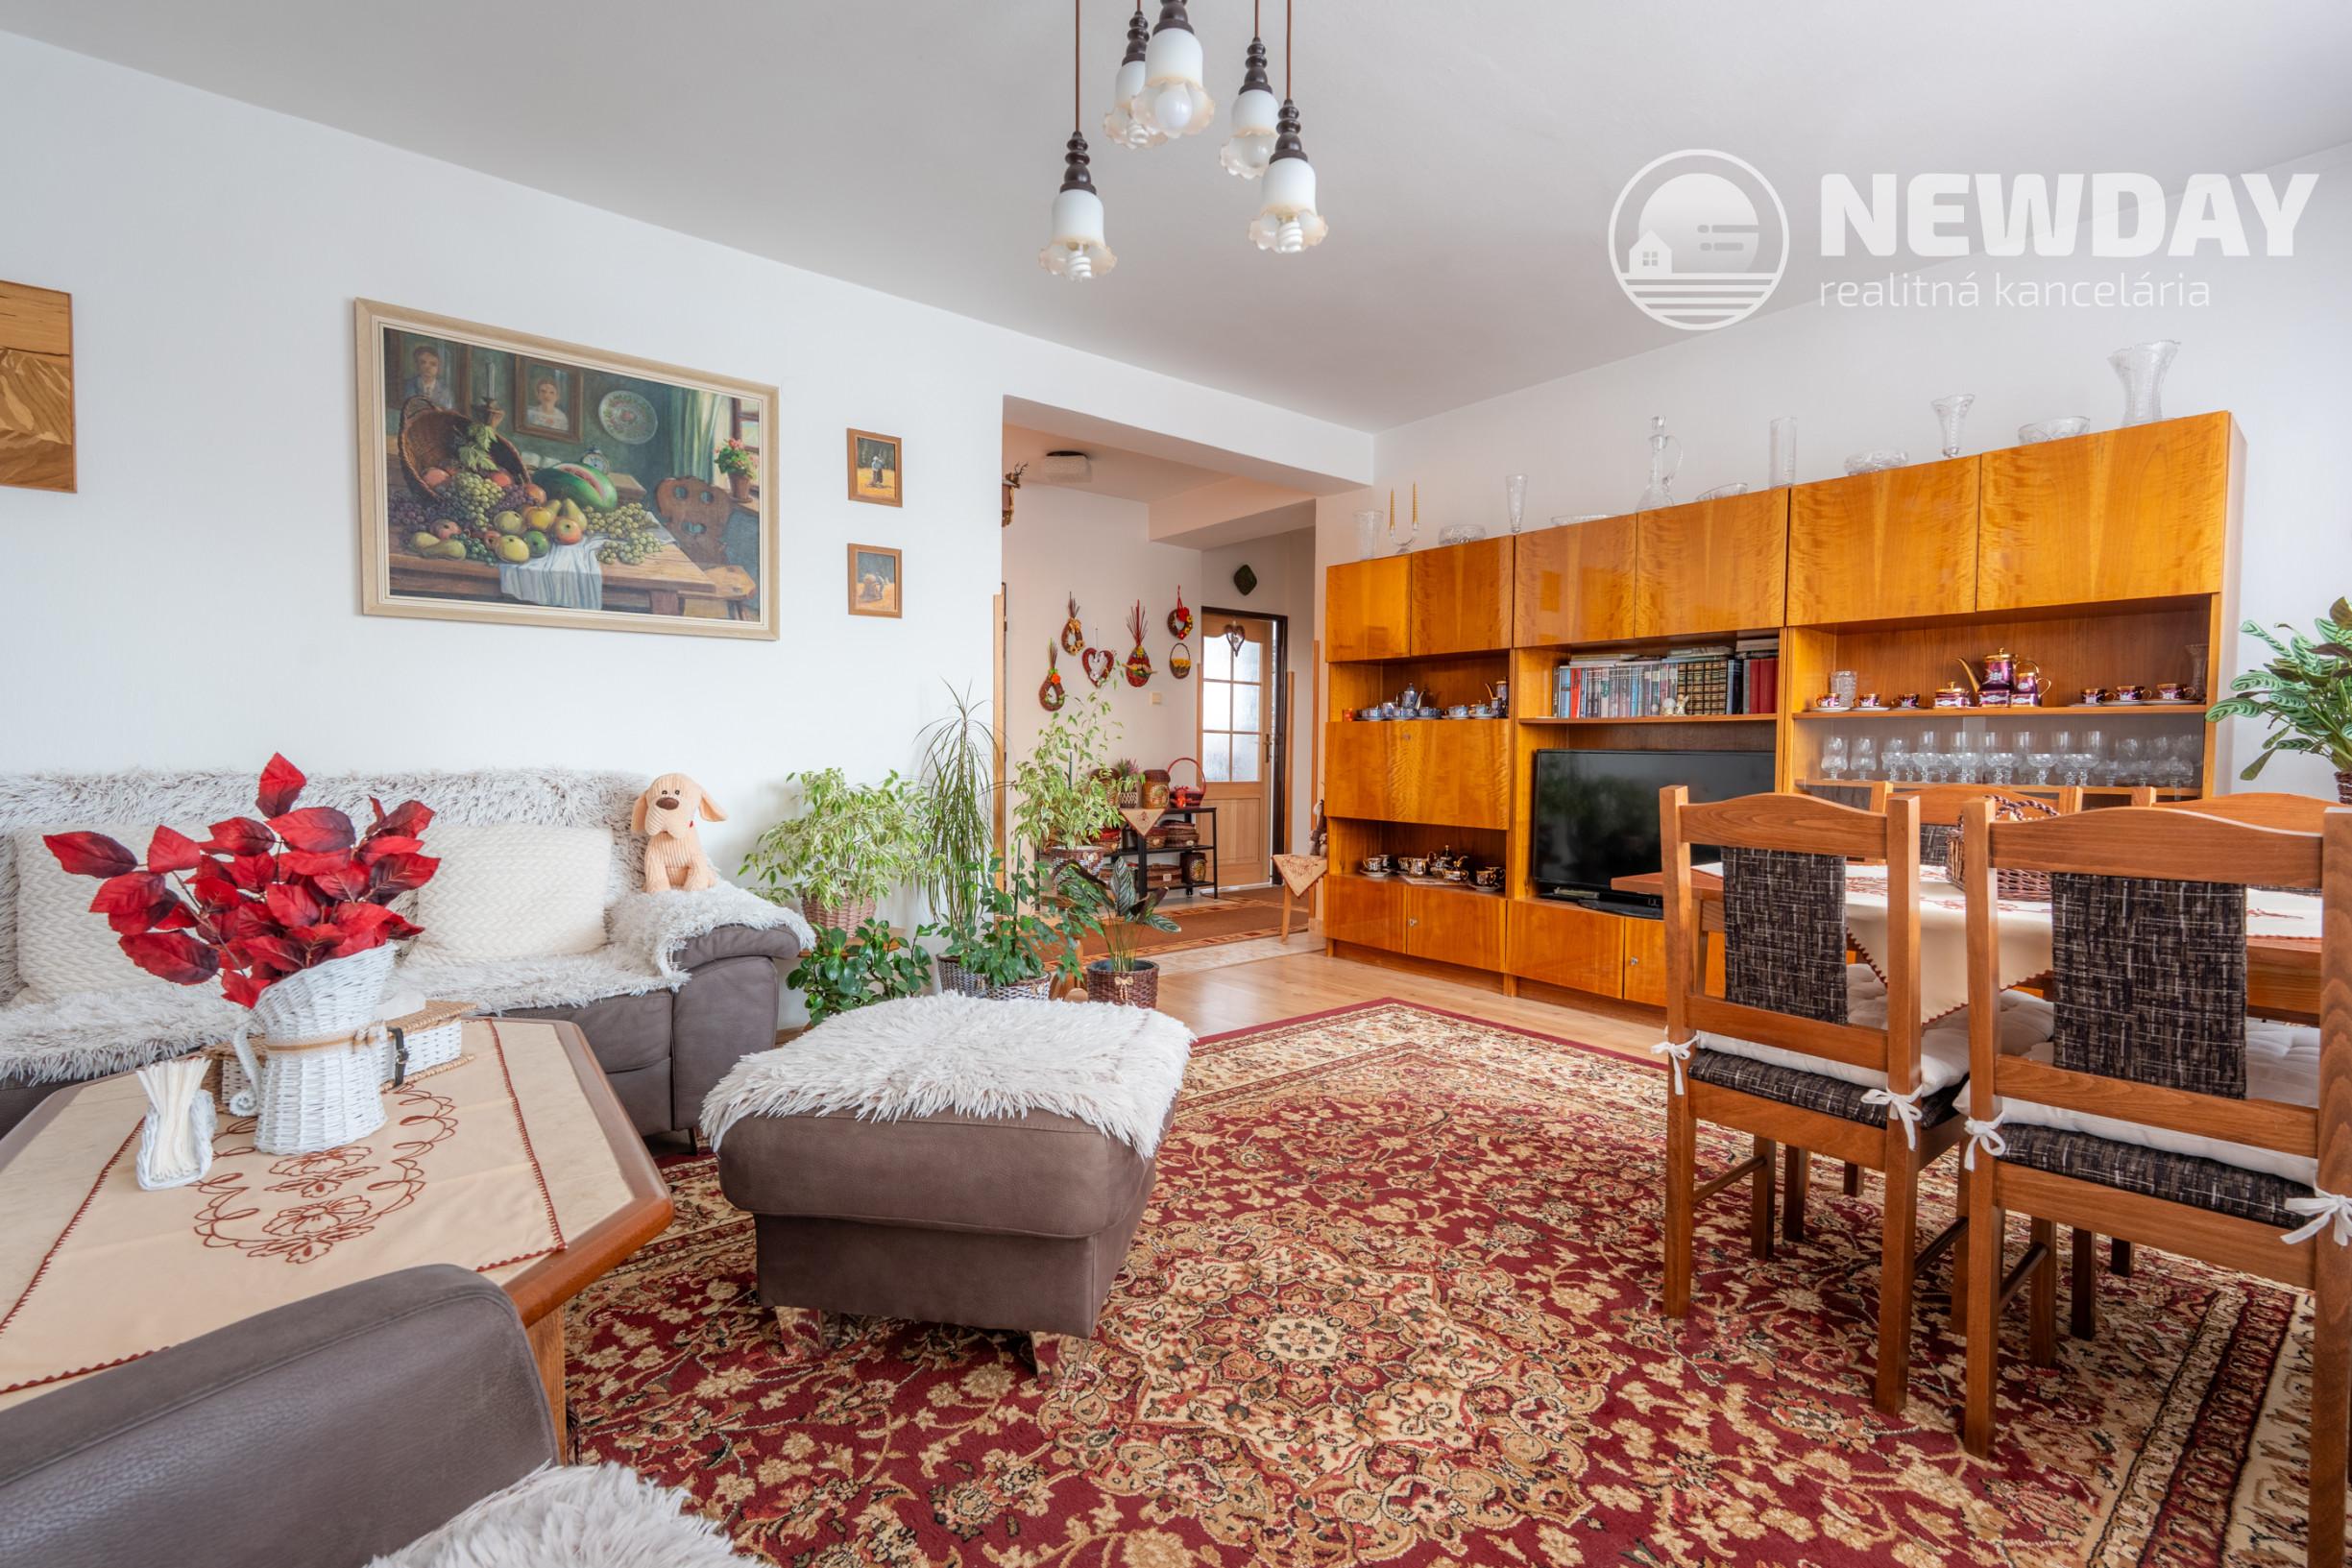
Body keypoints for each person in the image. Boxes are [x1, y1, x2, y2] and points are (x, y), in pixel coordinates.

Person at [402, 345, 456, 409]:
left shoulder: (445, 391)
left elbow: (448, 411)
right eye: (423, 363)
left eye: (433, 364)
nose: (428, 367)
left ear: (438, 368)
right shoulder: (409, 385)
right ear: (416, 365)